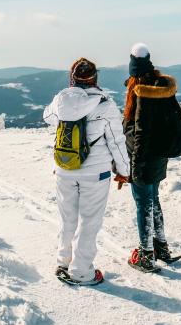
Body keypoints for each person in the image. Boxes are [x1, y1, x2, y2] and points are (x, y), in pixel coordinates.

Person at [43, 57, 130, 285]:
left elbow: (47, 117)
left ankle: (63, 260)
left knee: (67, 218)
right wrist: (124, 171)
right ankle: (81, 271)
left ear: (72, 78)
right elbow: (117, 142)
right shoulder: (105, 104)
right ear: (94, 78)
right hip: (96, 173)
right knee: (89, 221)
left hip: (64, 169)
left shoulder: (60, 100)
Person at [122, 43, 181, 273]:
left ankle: (146, 254)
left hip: (143, 158)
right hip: (159, 157)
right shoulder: (161, 90)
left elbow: (141, 134)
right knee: (153, 200)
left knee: (143, 204)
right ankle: (161, 246)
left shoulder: (142, 95)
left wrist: (135, 166)